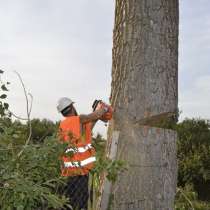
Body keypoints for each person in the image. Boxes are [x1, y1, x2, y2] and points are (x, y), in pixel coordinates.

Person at [57, 97, 112, 210]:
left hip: (68, 173)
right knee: (82, 203)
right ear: (72, 107)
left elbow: (88, 127)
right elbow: (91, 117)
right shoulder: (80, 119)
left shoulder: (63, 125)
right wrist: (104, 109)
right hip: (81, 172)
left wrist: (96, 115)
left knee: (70, 203)